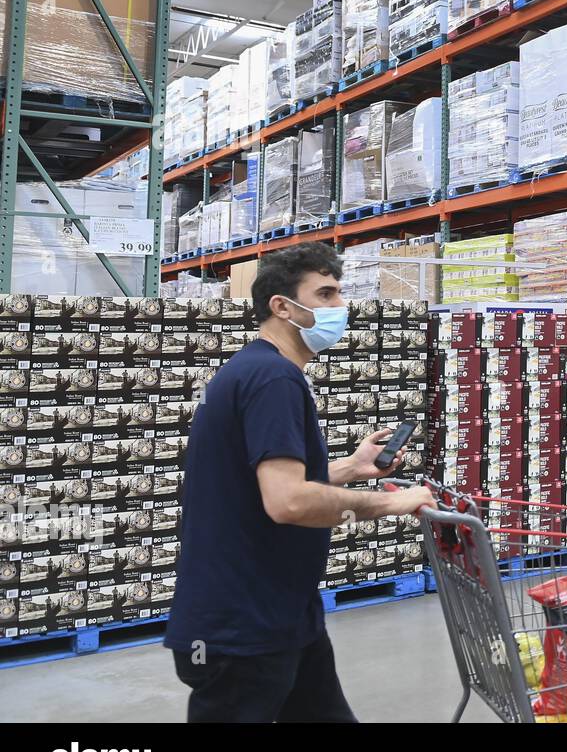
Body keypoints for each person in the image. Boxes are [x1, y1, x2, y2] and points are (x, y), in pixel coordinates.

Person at [163, 242, 435, 723]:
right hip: (244, 628)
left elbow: (260, 485)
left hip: (284, 612)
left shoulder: (255, 370)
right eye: (326, 295)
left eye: (339, 294)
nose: (339, 308)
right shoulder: (273, 380)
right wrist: (392, 504)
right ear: (283, 307)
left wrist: (352, 467)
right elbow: (288, 502)